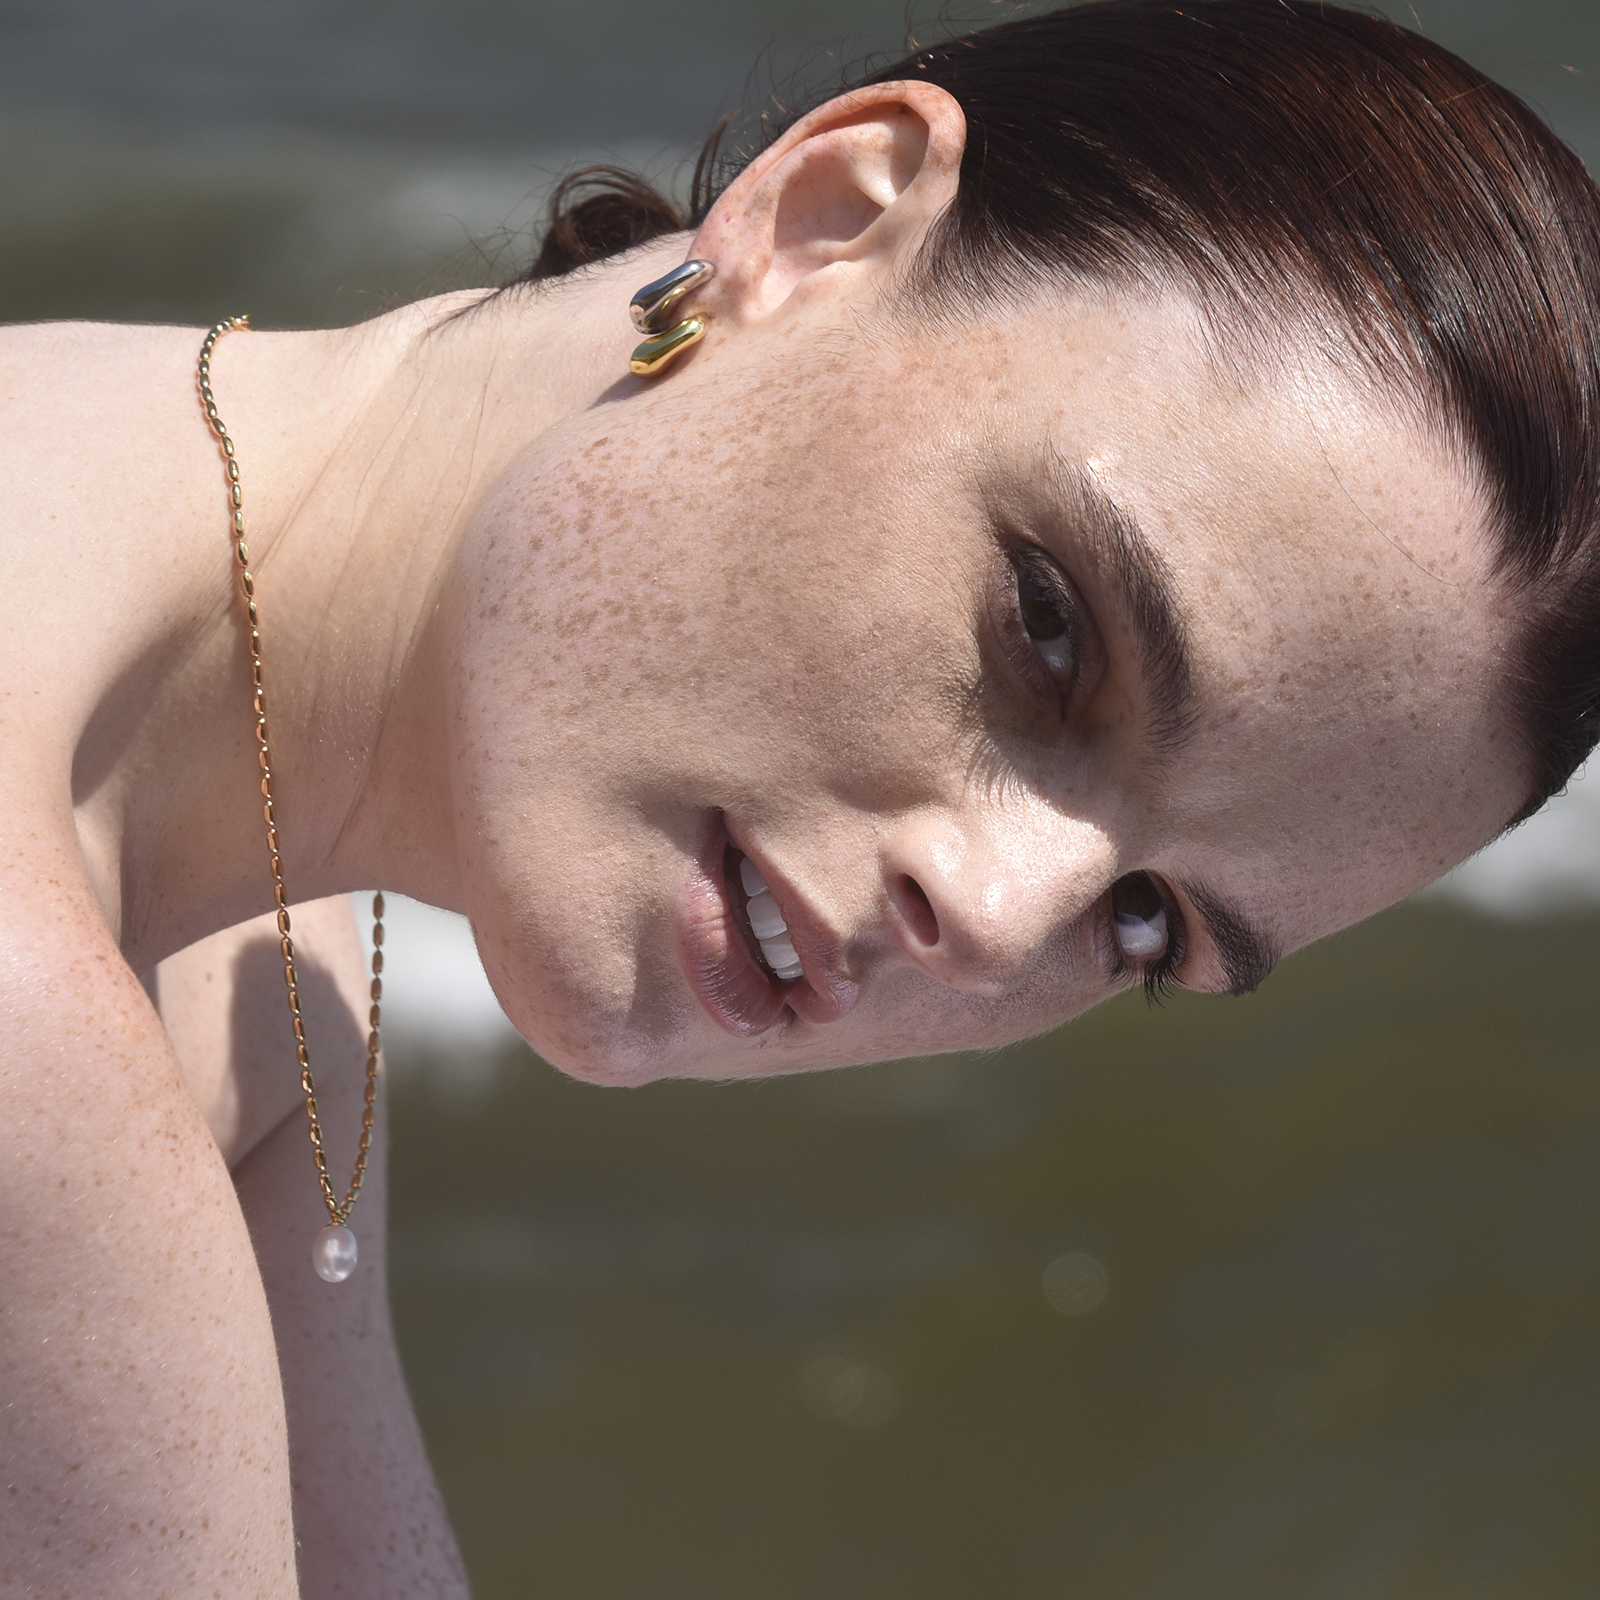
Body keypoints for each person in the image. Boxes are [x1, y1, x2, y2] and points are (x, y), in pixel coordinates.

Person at [3, 0, 1598, 1592]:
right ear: (823, 219)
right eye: (1049, 628)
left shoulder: (263, 980)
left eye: (1142, 923)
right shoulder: (46, 1053)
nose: (993, 920)